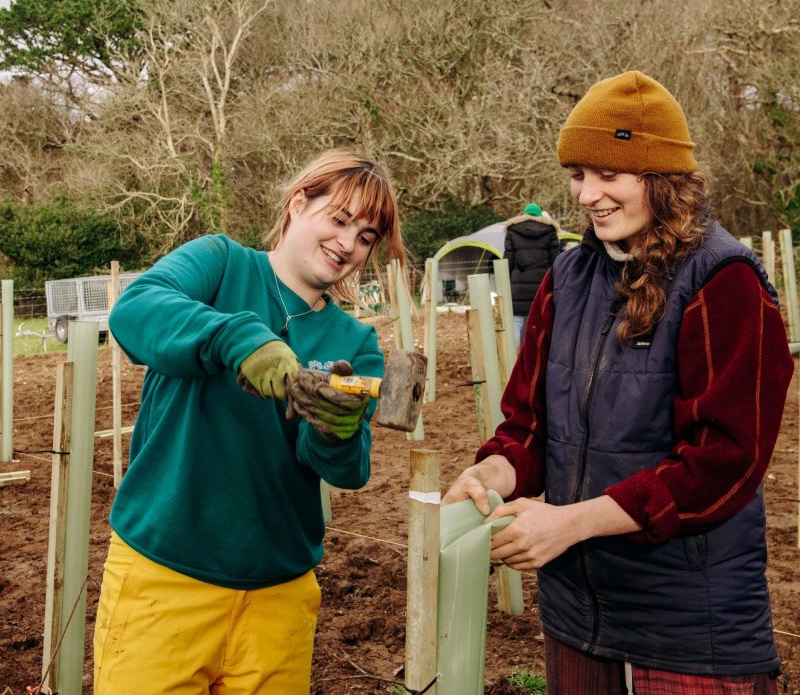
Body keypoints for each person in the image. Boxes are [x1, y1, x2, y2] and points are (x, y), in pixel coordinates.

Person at [443, 71, 793, 694]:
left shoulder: (724, 282)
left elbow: (724, 462)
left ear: (661, 178)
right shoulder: (567, 278)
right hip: (578, 615)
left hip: (690, 625)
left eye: (610, 175)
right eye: (579, 175)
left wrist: (570, 523)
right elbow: (528, 424)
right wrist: (493, 472)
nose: (588, 194)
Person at [93, 149, 407, 694]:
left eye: (366, 236)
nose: (348, 244)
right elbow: (135, 310)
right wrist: (238, 339)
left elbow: (347, 471)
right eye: (338, 219)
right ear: (296, 203)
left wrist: (338, 428)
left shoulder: (354, 344)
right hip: (164, 574)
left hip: (280, 593)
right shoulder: (220, 264)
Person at [504, 201, 561, 346]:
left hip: (517, 286)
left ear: (524, 215)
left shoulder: (512, 231)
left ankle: (511, 357)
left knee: (516, 321)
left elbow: (507, 261)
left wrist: (505, 282)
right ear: (539, 215)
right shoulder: (549, 231)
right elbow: (556, 261)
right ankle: (535, 357)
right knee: (538, 322)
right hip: (542, 285)